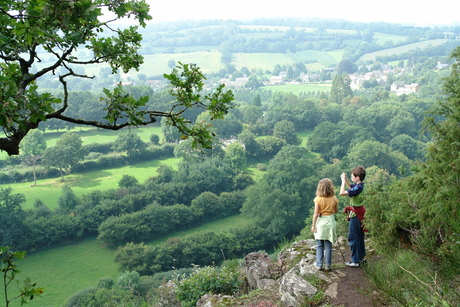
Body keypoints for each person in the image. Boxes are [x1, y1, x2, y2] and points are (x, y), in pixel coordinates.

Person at [340, 166, 367, 267]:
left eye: (352, 176)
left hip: (356, 215)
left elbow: (342, 193)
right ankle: (361, 257)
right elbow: (351, 188)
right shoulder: (360, 186)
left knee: (353, 237)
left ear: (358, 177)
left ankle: (355, 260)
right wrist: (346, 180)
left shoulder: (358, 188)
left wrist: (343, 181)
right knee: (359, 236)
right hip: (360, 214)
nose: (351, 178)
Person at [311, 178, 339, 271]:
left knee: (319, 244)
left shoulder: (318, 199)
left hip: (321, 222)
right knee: (328, 245)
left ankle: (319, 264)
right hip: (330, 221)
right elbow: (335, 211)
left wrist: (313, 225)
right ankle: (328, 265)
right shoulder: (334, 198)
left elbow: (316, 213)